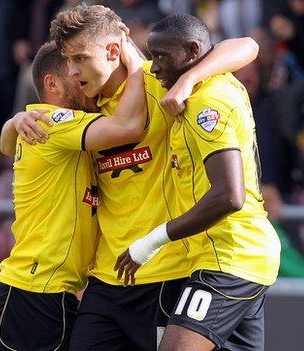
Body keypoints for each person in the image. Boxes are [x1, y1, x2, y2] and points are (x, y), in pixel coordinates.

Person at [33, 4, 259, 350]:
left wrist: (189, 79)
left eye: (79, 58)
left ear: (112, 51)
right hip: (107, 278)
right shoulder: (81, 106)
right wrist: (13, 123)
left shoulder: (164, 82)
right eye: (68, 61)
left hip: (167, 274)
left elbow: (246, 46)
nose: (73, 71)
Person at [115, 14, 280, 351]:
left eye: (162, 57)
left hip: (231, 256)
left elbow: (229, 196)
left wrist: (152, 241)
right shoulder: (211, 78)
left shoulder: (206, 103)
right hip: (227, 255)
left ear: (192, 51)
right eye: (152, 57)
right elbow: (245, 46)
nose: (156, 68)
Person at [0, 37, 148, 350]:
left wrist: (11, 124)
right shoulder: (52, 123)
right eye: (73, 71)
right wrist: (137, 66)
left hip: (41, 291)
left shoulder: (53, 129)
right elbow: (129, 126)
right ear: (52, 84)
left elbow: (6, 146)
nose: (81, 77)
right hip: (36, 292)